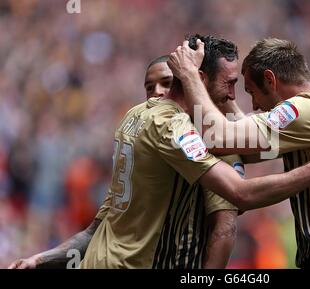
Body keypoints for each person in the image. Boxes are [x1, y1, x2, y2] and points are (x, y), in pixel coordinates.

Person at [168, 36, 310, 269]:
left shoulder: (306, 111)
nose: (255, 106)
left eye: (251, 92)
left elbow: (216, 137)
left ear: (270, 80)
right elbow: (248, 149)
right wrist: (223, 97)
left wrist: (190, 74)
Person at [8, 57, 238, 269]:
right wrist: (39, 259)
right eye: (149, 88)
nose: (157, 94)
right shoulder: (140, 148)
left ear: (187, 86)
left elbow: (226, 227)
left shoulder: (211, 143)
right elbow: (96, 230)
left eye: (166, 84)